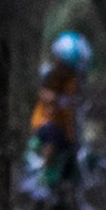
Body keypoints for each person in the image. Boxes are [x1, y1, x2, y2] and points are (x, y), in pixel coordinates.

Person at [28, 31, 92, 201]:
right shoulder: (48, 74)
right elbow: (44, 93)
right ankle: (41, 179)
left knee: (71, 147)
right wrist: (54, 98)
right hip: (46, 121)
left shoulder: (72, 79)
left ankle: (60, 191)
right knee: (53, 136)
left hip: (66, 124)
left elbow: (76, 99)